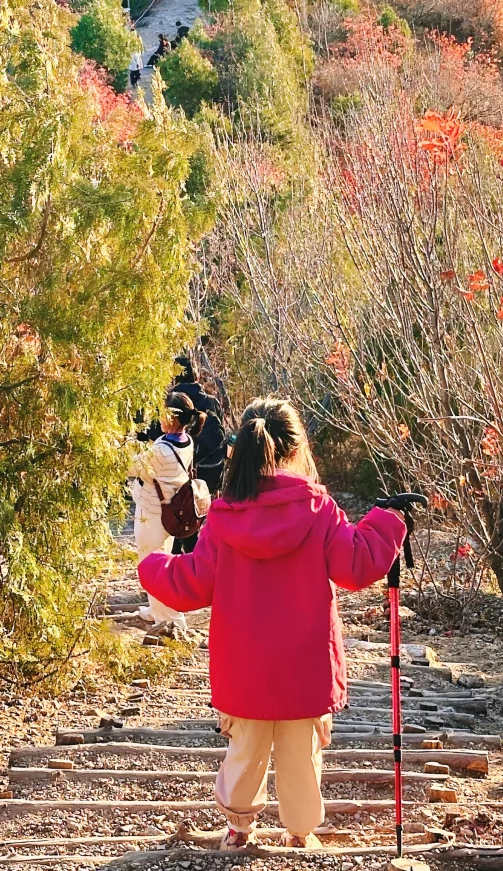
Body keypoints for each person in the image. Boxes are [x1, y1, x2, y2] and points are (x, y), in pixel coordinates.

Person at [138, 398, 406, 849]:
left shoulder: (226, 516)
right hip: (305, 668)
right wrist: (387, 521)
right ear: (297, 448)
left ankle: (238, 830)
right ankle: (301, 834)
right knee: (303, 758)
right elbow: (356, 566)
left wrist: (152, 565)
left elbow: (192, 585)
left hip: (243, 668)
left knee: (244, 754)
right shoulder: (318, 509)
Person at [128, 391, 207, 634]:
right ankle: (156, 610)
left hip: (153, 514)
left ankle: (171, 620)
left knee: (151, 566)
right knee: (161, 563)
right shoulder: (186, 441)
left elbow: (132, 467)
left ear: (171, 419)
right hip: (169, 511)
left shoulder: (161, 451)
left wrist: (126, 442)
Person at [169, 357, 229, 555]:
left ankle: (184, 554)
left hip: (186, 469)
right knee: (205, 514)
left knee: (185, 511)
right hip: (213, 469)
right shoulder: (211, 401)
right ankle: (203, 551)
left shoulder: (172, 402)